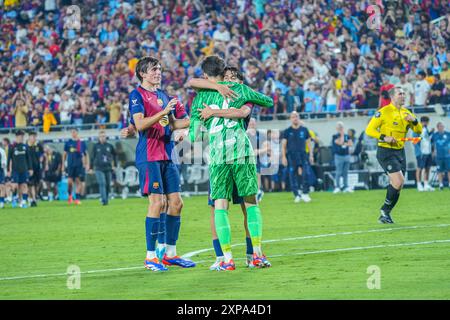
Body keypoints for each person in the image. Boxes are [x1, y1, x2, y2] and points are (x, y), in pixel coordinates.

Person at [189, 55, 273, 271]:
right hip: (241, 152)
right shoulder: (241, 90)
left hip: (217, 156)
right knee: (251, 203)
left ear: (206, 75)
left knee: (220, 206)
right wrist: (243, 91)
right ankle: (255, 254)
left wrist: (197, 125)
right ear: (223, 72)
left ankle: (227, 259)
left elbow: (194, 138)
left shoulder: (200, 97)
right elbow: (269, 101)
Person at [128, 56, 194, 272]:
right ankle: (150, 257)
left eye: (159, 69)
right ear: (142, 74)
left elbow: (174, 123)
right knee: (157, 203)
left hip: (168, 154)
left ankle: (169, 254)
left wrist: (198, 119)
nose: (158, 72)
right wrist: (163, 112)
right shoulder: (137, 95)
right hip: (149, 155)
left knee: (176, 204)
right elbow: (139, 124)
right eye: (153, 69)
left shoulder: (163, 95)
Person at [365, 86, 422, 223]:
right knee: (399, 181)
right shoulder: (383, 112)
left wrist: (414, 121)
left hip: (400, 151)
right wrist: (384, 137)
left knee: (399, 185)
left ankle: (385, 214)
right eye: (400, 94)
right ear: (392, 96)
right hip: (386, 150)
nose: (403, 96)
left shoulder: (406, 112)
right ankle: (384, 210)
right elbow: (369, 130)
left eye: (404, 93)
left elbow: (418, 131)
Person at [281, 111, 314, 203]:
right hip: (291, 156)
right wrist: (283, 157)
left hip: (303, 155)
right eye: (293, 116)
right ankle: (296, 195)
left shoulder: (304, 130)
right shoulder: (287, 131)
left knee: (306, 173)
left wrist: (311, 155)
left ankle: (305, 193)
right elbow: (283, 145)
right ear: (290, 119)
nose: (295, 118)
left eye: (296, 116)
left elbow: (309, 143)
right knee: (292, 175)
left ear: (299, 118)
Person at [90, 130, 117, 206]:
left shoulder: (109, 146)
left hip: (108, 168)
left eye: (104, 136)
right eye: (101, 136)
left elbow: (114, 156)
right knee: (102, 183)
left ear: (106, 137)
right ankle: (104, 200)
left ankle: (106, 198)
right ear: (98, 137)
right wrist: (91, 167)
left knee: (107, 184)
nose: (102, 138)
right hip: (98, 168)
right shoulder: (95, 146)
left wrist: (114, 165)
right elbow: (92, 157)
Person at [7, 130, 32, 209]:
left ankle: (23, 202)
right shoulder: (12, 146)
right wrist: (8, 170)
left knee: (24, 185)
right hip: (15, 170)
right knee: (15, 186)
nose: (22, 138)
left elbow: (29, 158)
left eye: (22, 136)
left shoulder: (25, 146)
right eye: (20, 136)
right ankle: (14, 199)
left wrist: (30, 168)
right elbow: (9, 159)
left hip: (24, 169)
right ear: (17, 137)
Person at [63, 128, 88, 205]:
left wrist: (86, 164)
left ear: (77, 133)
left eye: (75, 132)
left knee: (78, 181)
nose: (73, 133)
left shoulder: (81, 143)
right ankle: (70, 195)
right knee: (69, 182)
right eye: (72, 132)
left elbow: (86, 154)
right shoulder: (68, 143)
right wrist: (63, 165)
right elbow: (64, 154)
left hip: (79, 165)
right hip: (70, 165)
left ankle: (77, 198)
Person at [332, 122, 353, 193]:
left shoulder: (347, 136)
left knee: (345, 172)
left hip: (346, 155)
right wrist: (342, 135)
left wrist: (345, 142)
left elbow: (350, 144)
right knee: (338, 172)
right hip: (338, 156)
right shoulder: (335, 136)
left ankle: (345, 186)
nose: (340, 129)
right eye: (339, 127)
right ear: (337, 128)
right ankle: (337, 187)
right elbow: (339, 142)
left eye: (341, 127)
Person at [415, 116, 434, 191]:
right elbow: (414, 141)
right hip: (421, 153)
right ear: (423, 122)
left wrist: (431, 132)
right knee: (420, 168)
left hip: (428, 152)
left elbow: (426, 139)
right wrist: (419, 151)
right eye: (426, 122)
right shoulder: (417, 129)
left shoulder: (426, 129)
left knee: (427, 168)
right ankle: (419, 184)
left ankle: (426, 184)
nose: (427, 123)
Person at [27, 132, 44, 207]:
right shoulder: (26, 146)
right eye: (32, 136)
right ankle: (32, 199)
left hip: (38, 167)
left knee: (38, 183)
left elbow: (42, 154)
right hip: (29, 168)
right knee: (31, 184)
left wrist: (41, 158)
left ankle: (35, 196)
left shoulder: (38, 145)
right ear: (29, 137)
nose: (34, 138)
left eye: (35, 137)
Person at [431, 122, 450, 190]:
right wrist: (433, 151)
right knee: (439, 171)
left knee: (449, 170)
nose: (441, 127)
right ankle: (440, 184)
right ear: (437, 127)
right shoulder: (435, 135)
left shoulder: (448, 134)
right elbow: (432, 144)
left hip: (447, 156)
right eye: (440, 126)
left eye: (442, 126)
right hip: (439, 156)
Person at [0, 143, 6, 208]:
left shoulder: (2, 151)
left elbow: (4, 161)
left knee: (2, 187)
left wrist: (3, 165)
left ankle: (1, 203)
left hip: (0, 171)